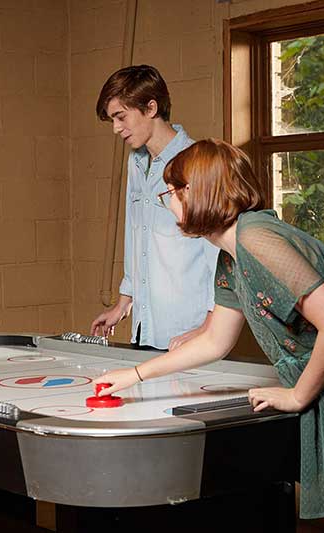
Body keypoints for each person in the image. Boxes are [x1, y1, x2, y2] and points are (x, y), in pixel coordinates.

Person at [94, 139, 324, 530]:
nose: (168, 201)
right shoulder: (230, 256)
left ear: (198, 192)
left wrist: (297, 395)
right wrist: (135, 375)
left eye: (171, 191)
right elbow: (214, 341)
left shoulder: (256, 239)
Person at [89, 65, 219, 350]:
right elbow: (135, 235)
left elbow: (219, 256)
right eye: (112, 119)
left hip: (190, 332)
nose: (116, 128)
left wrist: (211, 326)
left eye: (121, 117)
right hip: (146, 328)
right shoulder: (136, 162)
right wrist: (124, 302)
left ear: (150, 107)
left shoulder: (197, 164)